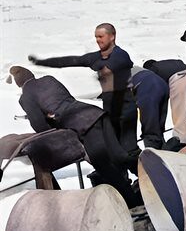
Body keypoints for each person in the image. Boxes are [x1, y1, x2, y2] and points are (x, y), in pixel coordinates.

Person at [10, 66, 139, 207]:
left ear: (18, 83)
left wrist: (54, 123)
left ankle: (133, 204)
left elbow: (39, 125)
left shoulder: (26, 96)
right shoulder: (49, 79)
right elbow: (66, 99)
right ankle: (152, 179)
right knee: (120, 156)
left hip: (83, 124)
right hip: (96, 113)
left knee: (104, 167)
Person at [29, 22, 138, 159]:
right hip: (109, 107)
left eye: (101, 36)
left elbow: (114, 65)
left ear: (112, 37)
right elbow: (70, 61)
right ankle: (123, 179)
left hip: (125, 107)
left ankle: (143, 176)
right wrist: (41, 62)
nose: (98, 40)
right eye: (96, 37)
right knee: (113, 149)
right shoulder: (96, 57)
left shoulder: (121, 54)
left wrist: (102, 69)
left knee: (130, 148)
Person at [143, 58, 186, 146]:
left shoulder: (152, 70)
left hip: (180, 79)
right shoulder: (173, 62)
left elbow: (158, 94)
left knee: (181, 117)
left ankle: (180, 145)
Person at [129, 67, 169, 150]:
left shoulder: (114, 76)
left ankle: (153, 154)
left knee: (149, 125)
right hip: (162, 84)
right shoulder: (133, 68)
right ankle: (162, 150)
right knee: (158, 124)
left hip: (146, 86)